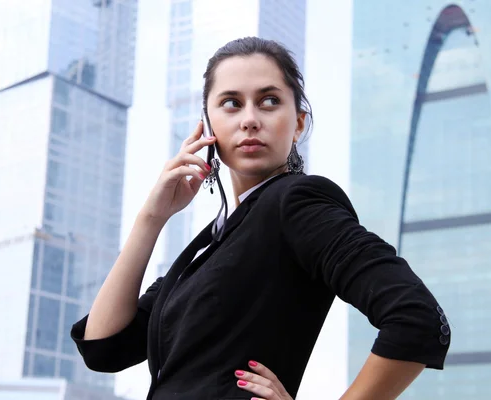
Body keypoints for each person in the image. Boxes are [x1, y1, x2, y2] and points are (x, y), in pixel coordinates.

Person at [70, 37, 451, 400]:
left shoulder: (297, 202)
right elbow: (104, 348)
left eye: (269, 101)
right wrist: (151, 218)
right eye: (231, 104)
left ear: (298, 123)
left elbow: (416, 319)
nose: (250, 119)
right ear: (207, 126)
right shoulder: (207, 246)